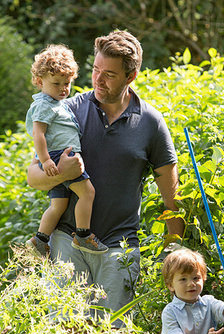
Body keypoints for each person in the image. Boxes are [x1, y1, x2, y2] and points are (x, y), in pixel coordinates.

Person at [27, 30, 184, 317]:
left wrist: (176, 252)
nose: (98, 80)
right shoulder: (67, 109)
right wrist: (62, 172)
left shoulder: (150, 122)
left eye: (109, 74)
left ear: (131, 76)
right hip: (67, 241)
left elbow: (171, 197)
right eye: (96, 69)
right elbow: (33, 177)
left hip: (119, 248)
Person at [25, 44, 108, 258]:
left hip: (56, 156)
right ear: (39, 81)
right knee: (88, 193)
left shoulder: (57, 103)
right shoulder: (45, 105)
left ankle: (40, 239)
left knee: (58, 204)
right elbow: (38, 134)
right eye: (56, 83)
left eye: (67, 83)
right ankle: (82, 235)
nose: (63, 88)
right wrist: (46, 161)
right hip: (58, 156)